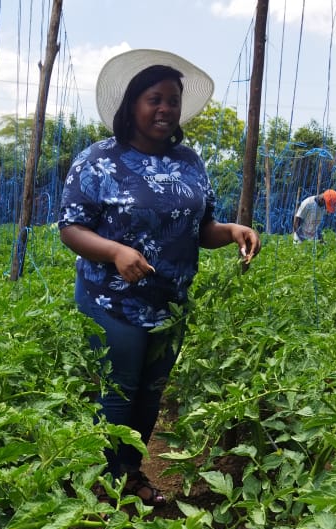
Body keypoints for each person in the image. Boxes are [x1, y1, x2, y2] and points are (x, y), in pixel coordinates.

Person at [58, 49, 261, 504]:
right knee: (119, 389)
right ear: (131, 104)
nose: (166, 109)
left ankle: (128, 474)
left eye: (173, 100)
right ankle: (101, 482)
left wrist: (231, 231)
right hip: (113, 296)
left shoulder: (189, 161)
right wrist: (114, 252)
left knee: (151, 393)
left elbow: (199, 228)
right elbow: (70, 226)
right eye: (155, 99)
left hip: (170, 300)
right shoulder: (98, 159)